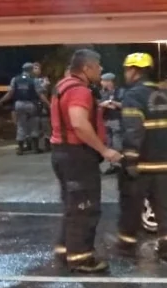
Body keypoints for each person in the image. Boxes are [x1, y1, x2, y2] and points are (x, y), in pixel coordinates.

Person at [49, 49, 121, 273]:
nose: (100, 70)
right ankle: (81, 258)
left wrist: (98, 108)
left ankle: (65, 250)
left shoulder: (63, 85)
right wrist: (105, 150)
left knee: (72, 206)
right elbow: (79, 124)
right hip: (77, 156)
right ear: (87, 68)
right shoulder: (80, 91)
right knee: (85, 207)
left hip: (61, 153)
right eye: (98, 66)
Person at [117, 53, 167, 261]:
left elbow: (133, 130)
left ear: (135, 70)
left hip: (144, 164)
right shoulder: (165, 95)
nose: (126, 73)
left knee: (131, 207)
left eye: (127, 69)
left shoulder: (133, 96)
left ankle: (126, 248)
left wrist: (130, 159)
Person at [0, 62, 49, 155]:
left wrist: (0, 101)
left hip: (18, 104)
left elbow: (10, 93)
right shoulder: (34, 80)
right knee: (34, 124)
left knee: (21, 125)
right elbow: (40, 94)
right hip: (31, 104)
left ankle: (21, 148)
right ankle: (35, 148)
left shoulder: (15, 79)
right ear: (31, 70)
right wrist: (48, 104)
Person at [98, 73, 124, 175]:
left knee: (117, 143)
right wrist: (103, 104)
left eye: (103, 81)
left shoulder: (119, 91)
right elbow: (98, 103)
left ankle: (120, 164)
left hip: (116, 119)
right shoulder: (102, 93)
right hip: (106, 120)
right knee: (109, 143)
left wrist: (112, 103)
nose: (102, 83)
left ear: (109, 81)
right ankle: (113, 165)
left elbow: (125, 104)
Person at [33, 62, 52, 152]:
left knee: (46, 125)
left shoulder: (44, 79)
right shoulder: (29, 80)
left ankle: (47, 144)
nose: (36, 70)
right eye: (34, 68)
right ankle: (35, 146)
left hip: (43, 105)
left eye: (37, 68)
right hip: (33, 105)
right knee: (35, 125)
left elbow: (46, 90)